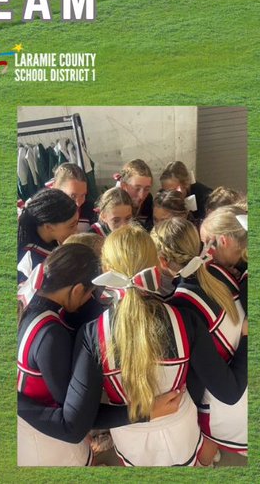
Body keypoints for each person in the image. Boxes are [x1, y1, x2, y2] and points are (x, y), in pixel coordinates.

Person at [19, 225, 247, 466]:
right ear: (158, 269)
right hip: (181, 428)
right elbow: (223, 391)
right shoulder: (186, 320)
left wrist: (143, 412)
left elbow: (79, 419)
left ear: (106, 271)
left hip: (132, 438)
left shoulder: (92, 334)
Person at [17, 244, 119, 466]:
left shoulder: (29, 302)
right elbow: (75, 417)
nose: (87, 301)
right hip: (48, 440)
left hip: (33, 428)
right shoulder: (51, 333)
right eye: (89, 294)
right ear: (76, 290)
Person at [158, 218, 246, 461]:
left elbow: (228, 392)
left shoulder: (181, 305)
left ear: (163, 262)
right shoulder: (218, 270)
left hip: (231, 402)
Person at [17, 188, 79, 283]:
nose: (76, 230)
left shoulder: (50, 242)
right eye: (71, 226)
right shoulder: (32, 262)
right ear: (49, 227)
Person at [116, 159, 155, 230]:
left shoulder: (148, 200)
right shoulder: (113, 204)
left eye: (146, 189)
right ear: (123, 186)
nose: (141, 196)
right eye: (137, 189)